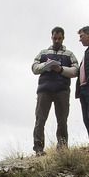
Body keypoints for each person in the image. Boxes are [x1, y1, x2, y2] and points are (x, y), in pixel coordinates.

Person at [31, 27, 78, 155]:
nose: (57, 40)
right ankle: (38, 149)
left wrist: (61, 69)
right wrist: (45, 66)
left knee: (62, 120)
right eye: (54, 38)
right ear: (51, 37)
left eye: (59, 38)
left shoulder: (69, 54)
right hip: (44, 90)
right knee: (40, 119)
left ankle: (62, 148)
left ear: (63, 38)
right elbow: (34, 68)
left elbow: (75, 71)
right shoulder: (43, 53)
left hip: (62, 91)